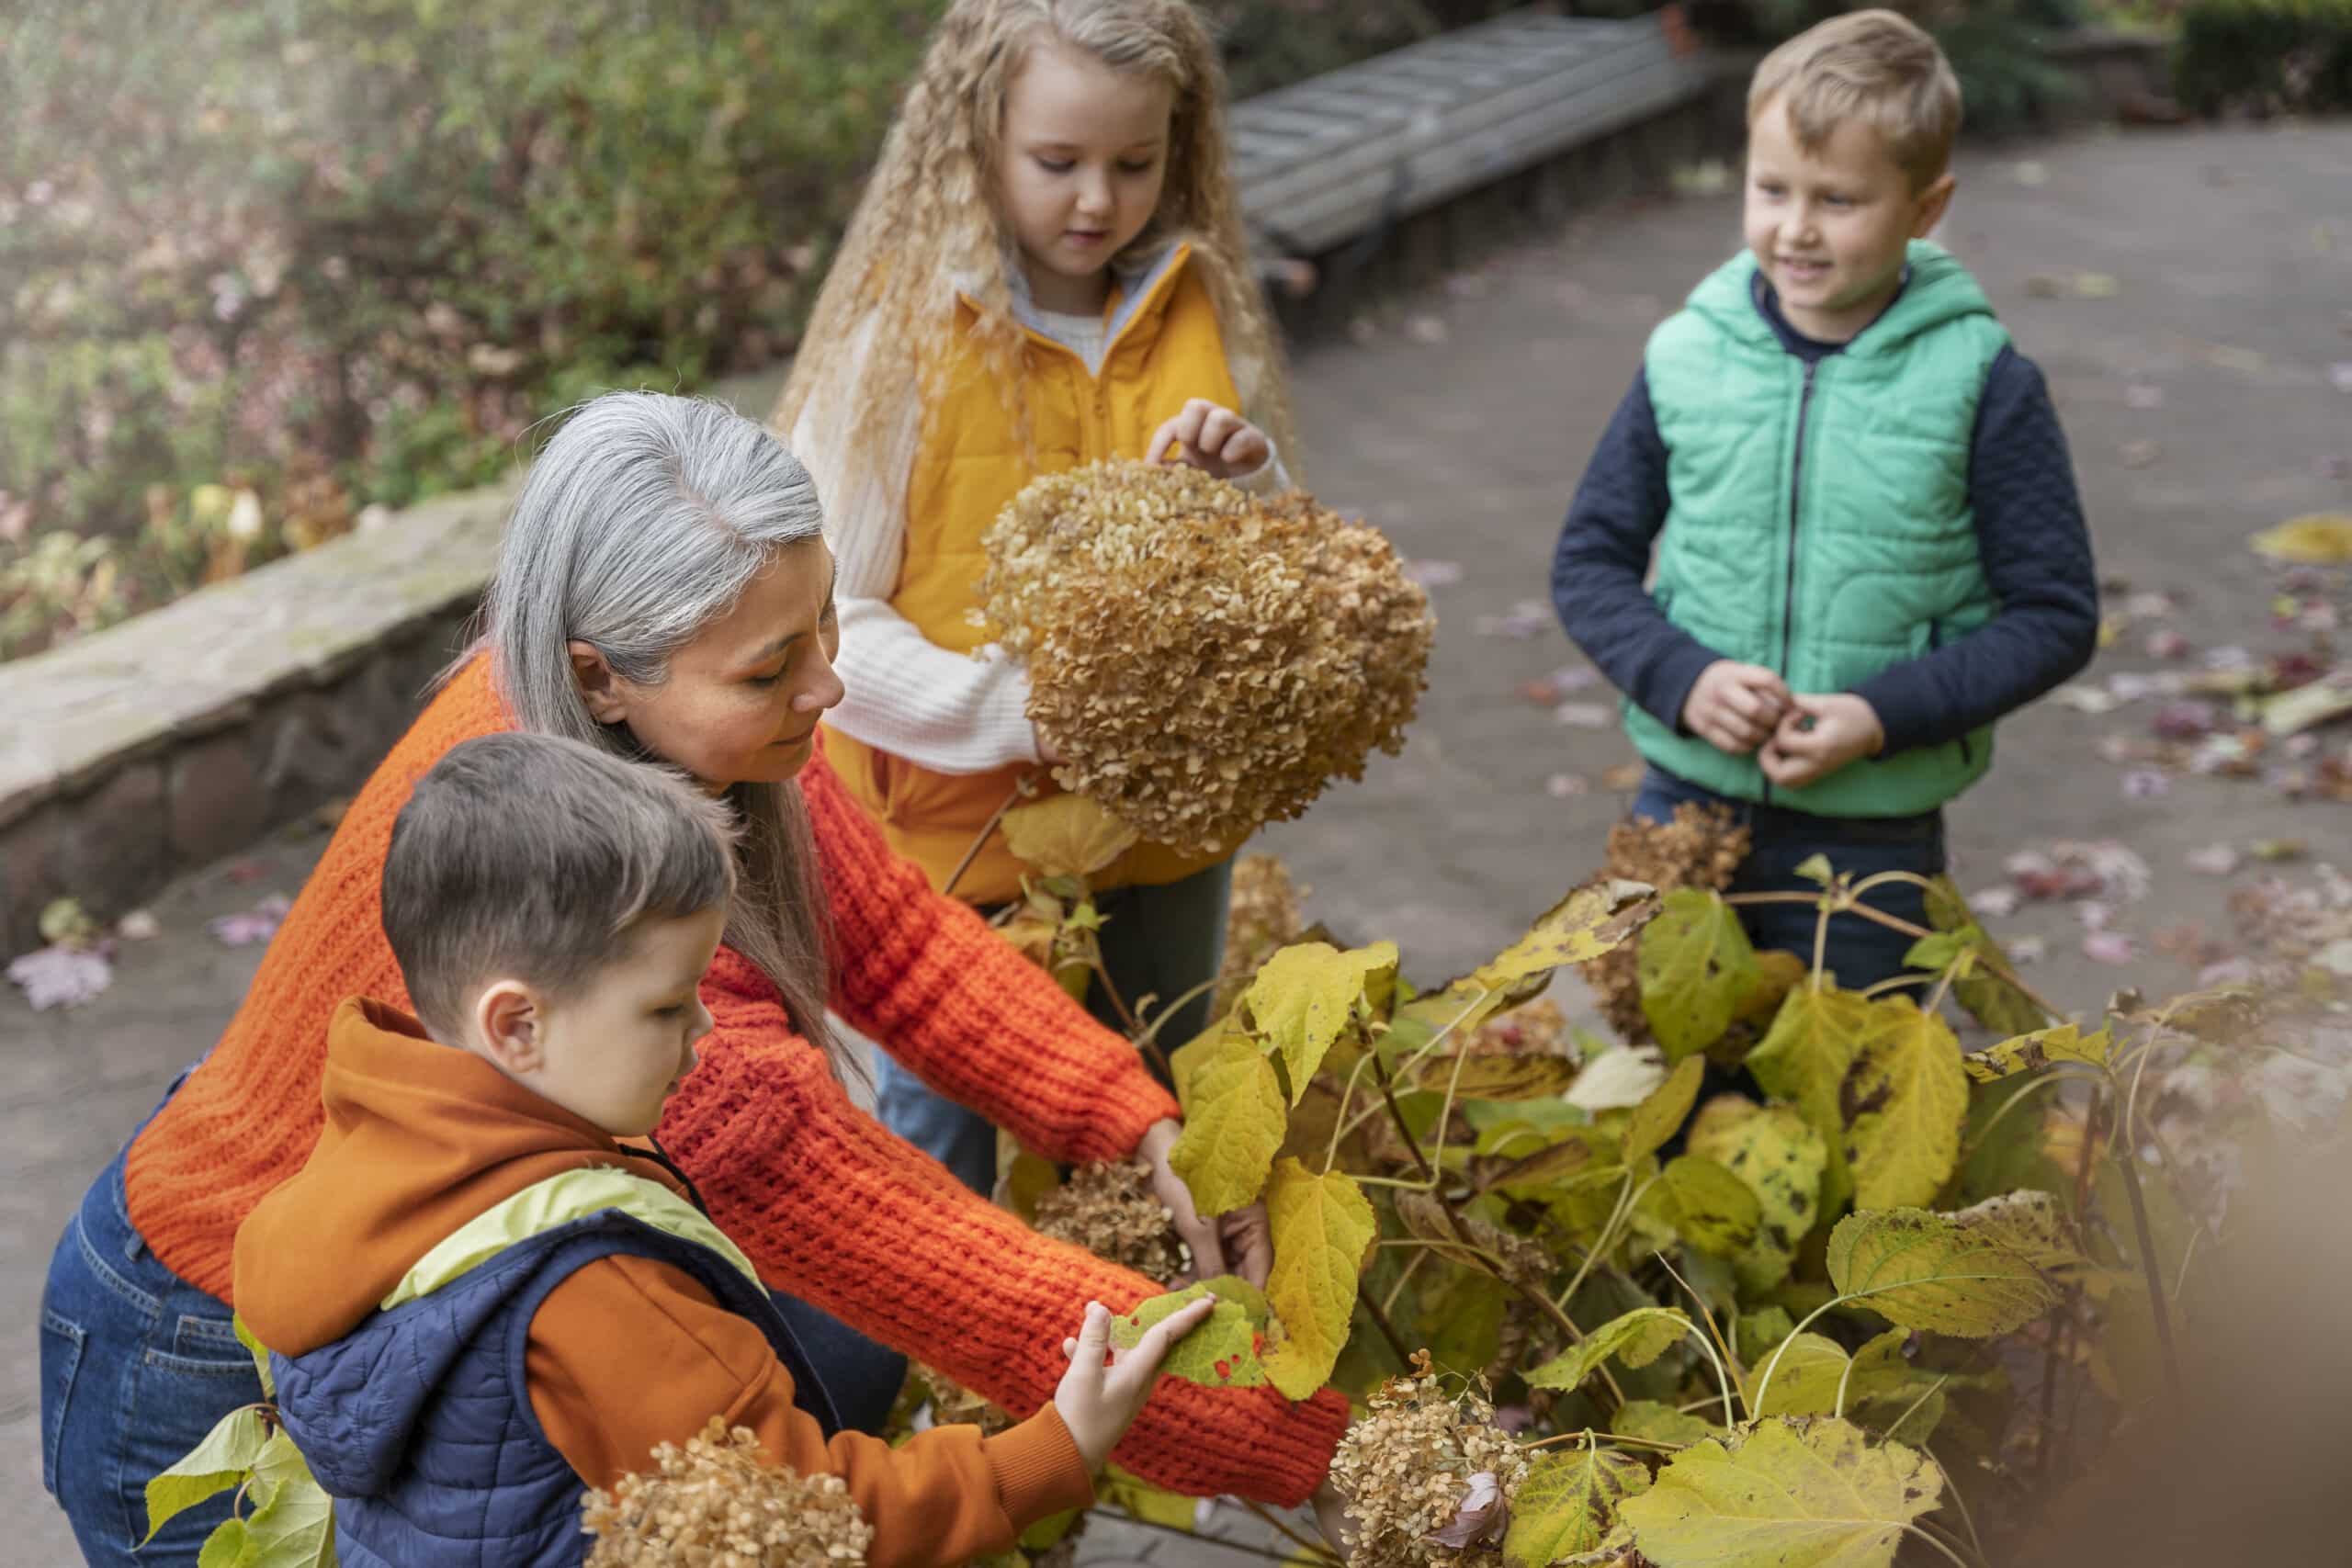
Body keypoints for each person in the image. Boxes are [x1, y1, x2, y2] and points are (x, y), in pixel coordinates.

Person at [39, 392, 1347, 1568]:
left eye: (822, 615)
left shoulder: (656, 746)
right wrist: (1338, 1447)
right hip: (202, 1357)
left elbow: (895, 942)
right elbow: (959, 1278)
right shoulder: (615, 956)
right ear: (602, 671)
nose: (829, 681)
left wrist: (1134, 1117)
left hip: (383, 1317)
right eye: (770, 667)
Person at [234, 731, 1217, 1566]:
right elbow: (810, 1519)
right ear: (517, 1026)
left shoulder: (380, 1150)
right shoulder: (589, 1289)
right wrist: (1054, 1448)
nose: (706, 1028)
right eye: (666, 1005)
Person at [772, 0, 1298, 1197]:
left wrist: (1246, 486)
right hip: (952, 848)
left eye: (1136, 162)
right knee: (935, 1157)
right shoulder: (898, 342)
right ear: (977, 140)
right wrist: (1012, 710)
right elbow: (817, 609)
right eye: (1057, 162)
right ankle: (923, 1383)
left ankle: (1137, 1360)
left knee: (1152, 1113)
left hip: (1161, 839)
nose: (1099, 202)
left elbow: (1276, 599)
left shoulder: (1195, 313)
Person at [1551, 8, 2098, 991]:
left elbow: (2054, 616)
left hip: (1870, 840)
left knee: (1854, 1098)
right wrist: (1680, 678)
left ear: (1925, 209)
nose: (1795, 228)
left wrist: (1878, 715)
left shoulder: (1981, 380)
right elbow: (1589, 560)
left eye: (1838, 200)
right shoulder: (1687, 355)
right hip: (1685, 808)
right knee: (1680, 1090)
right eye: (1770, 190)